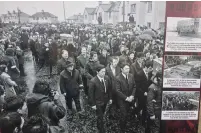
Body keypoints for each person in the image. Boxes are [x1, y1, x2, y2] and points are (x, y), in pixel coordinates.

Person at [88, 65, 112, 133]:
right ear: (97, 72)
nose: (103, 73)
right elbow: (90, 94)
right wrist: (93, 104)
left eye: (104, 71)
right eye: (102, 72)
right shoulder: (93, 81)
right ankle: (101, 129)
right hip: (97, 102)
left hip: (105, 101)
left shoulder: (107, 78)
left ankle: (99, 124)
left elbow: (109, 89)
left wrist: (110, 98)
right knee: (100, 116)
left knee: (103, 113)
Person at [115, 63, 136, 132]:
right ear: (121, 69)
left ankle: (128, 125)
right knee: (123, 114)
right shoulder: (118, 78)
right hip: (122, 99)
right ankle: (122, 129)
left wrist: (132, 95)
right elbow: (118, 91)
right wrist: (126, 98)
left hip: (130, 98)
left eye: (128, 68)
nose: (128, 70)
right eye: (126, 69)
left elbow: (134, 86)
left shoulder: (131, 76)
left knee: (129, 112)